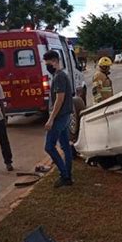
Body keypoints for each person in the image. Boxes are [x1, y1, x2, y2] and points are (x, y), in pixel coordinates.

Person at [43, 50, 74, 188]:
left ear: (55, 61)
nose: (47, 66)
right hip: (65, 116)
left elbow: (59, 99)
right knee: (65, 146)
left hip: (60, 117)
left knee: (49, 146)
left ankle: (65, 175)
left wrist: (51, 119)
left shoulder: (59, 77)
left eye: (48, 63)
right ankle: (67, 175)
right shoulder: (60, 75)